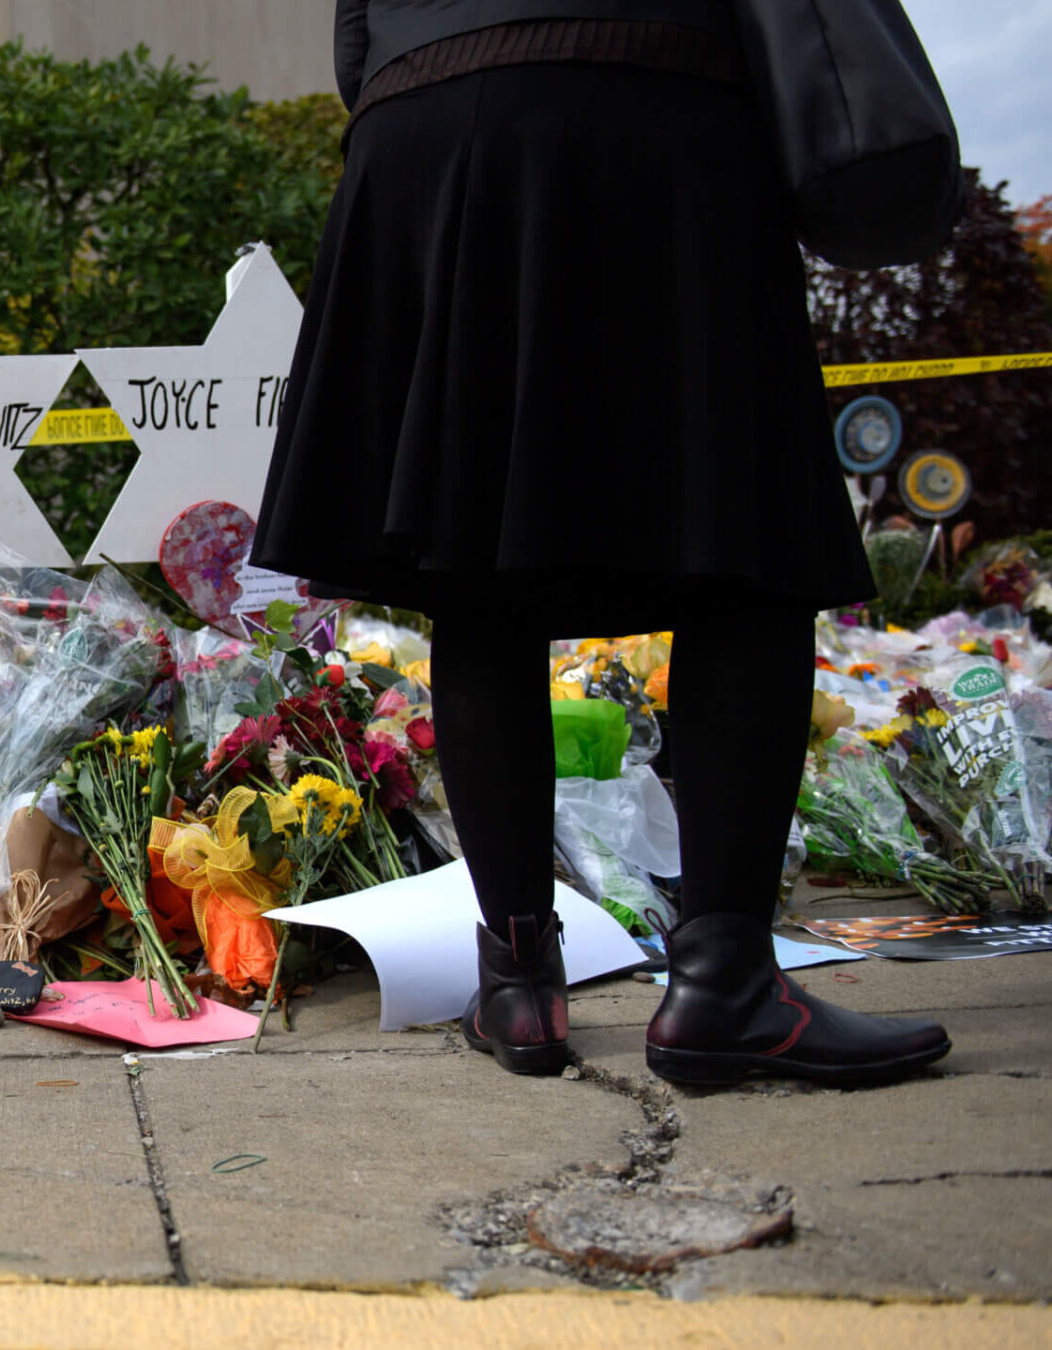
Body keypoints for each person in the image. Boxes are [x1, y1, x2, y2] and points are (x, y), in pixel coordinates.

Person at [255, 0, 952, 1085]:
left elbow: (354, 35)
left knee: (476, 563)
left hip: (424, 127)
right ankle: (724, 983)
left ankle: (518, 986)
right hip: (647, 97)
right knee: (745, 546)